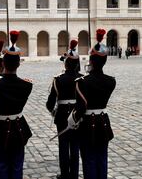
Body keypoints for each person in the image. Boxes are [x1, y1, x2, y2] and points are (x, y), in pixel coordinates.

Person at [0, 31, 33, 179]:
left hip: (0, 129)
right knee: (17, 166)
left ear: (2, 63)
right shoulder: (27, 85)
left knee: (1, 165)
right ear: (19, 64)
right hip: (19, 128)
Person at [68, 29, 116, 179]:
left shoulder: (82, 82)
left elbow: (81, 108)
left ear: (91, 60)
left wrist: (71, 120)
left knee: (89, 159)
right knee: (102, 158)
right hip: (103, 122)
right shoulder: (111, 81)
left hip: (88, 124)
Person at [46, 40, 82, 179]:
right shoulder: (82, 79)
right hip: (77, 116)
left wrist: (53, 111)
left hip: (61, 116)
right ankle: (74, 175)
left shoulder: (58, 79)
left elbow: (50, 103)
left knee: (63, 147)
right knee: (75, 147)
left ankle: (65, 175)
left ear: (66, 63)